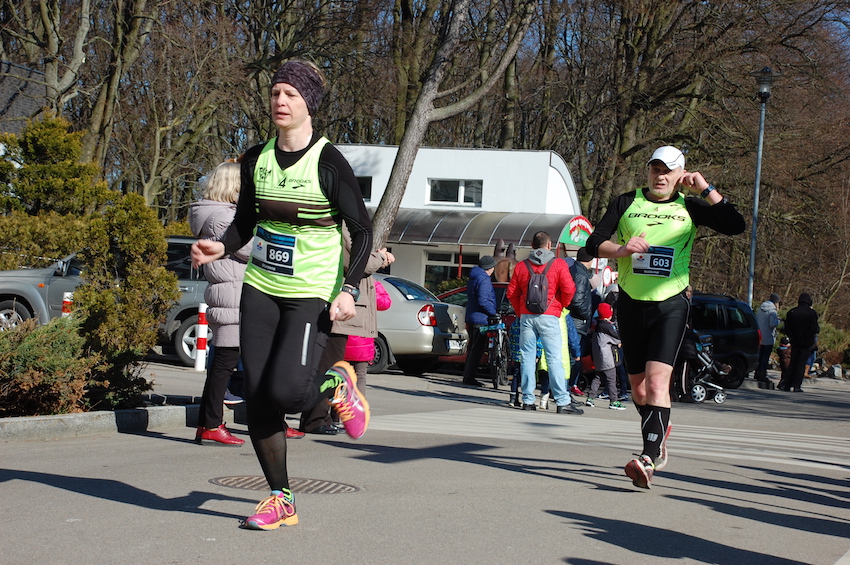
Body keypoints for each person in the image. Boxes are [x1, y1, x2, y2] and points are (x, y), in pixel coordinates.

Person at [190, 59, 373, 530]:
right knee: (257, 395)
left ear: (309, 103)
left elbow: (362, 231)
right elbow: (245, 222)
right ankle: (280, 497)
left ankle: (336, 383)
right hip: (261, 286)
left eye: (291, 94)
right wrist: (221, 246)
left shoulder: (328, 162)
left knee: (288, 393)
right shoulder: (256, 159)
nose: (280, 101)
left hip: (310, 290)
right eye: (275, 92)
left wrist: (348, 288)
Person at [585, 145, 745, 489]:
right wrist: (622, 249)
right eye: (655, 169)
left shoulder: (690, 206)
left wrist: (705, 188)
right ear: (648, 171)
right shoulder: (626, 202)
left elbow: (736, 226)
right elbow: (592, 244)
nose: (660, 176)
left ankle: (648, 458)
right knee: (640, 391)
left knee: (658, 384)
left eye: (668, 171)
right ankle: (659, 427)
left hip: (671, 304)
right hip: (631, 303)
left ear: (680, 174)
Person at [189, 161, 258, 446]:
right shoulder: (224, 218)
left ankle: (208, 424)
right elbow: (252, 250)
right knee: (224, 364)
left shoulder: (215, 214)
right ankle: (211, 424)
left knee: (226, 363)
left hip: (230, 294)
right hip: (233, 296)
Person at [298, 232, 394, 435]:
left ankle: (322, 417)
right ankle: (315, 419)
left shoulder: (345, 226)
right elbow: (360, 262)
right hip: (336, 307)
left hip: (337, 307)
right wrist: (381, 257)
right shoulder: (343, 226)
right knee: (328, 366)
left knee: (332, 367)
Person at [507, 231, 583, 414]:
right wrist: (560, 307)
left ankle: (527, 400)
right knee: (554, 358)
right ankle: (562, 402)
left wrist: (521, 312)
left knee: (527, 357)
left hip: (527, 317)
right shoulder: (558, 264)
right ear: (550, 245)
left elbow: (512, 292)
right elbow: (569, 289)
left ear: (532, 246)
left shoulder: (522, 266)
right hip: (550, 315)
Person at [462, 256, 498, 386]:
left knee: (472, 348)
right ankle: (469, 377)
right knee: (477, 349)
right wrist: (493, 312)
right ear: (490, 268)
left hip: (472, 316)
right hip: (481, 319)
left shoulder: (474, 277)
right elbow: (483, 300)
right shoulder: (484, 280)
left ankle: (467, 375)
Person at [585, 303, 627, 410]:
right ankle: (614, 401)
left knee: (597, 378)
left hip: (598, 358)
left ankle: (590, 398)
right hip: (607, 359)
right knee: (611, 380)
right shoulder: (607, 327)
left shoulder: (596, 325)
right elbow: (617, 339)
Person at [567, 246, 594, 395]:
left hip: (573, 320)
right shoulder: (581, 275)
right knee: (574, 358)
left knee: (569, 357)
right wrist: (586, 315)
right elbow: (576, 300)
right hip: (577, 322)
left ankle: (564, 389)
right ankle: (566, 390)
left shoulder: (574, 270)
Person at [779, 293, 819, 392]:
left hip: (795, 341)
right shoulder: (811, 313)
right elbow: (815, 328)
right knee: (801, 364)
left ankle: (787, 384)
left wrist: (792, 336)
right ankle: (797, 385)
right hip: (806, 342)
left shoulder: (792, 312)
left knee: (793, 363)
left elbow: (786, 328)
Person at [754, 293, 781, 383]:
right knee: (765, 357)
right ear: (776, 302)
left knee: (760, 356)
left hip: (760, 336)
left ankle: (757, 373)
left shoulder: (761, 309)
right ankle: (762, 374)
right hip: (768, 337)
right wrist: (778, 321)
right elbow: (772, 324)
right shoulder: (772, 312)